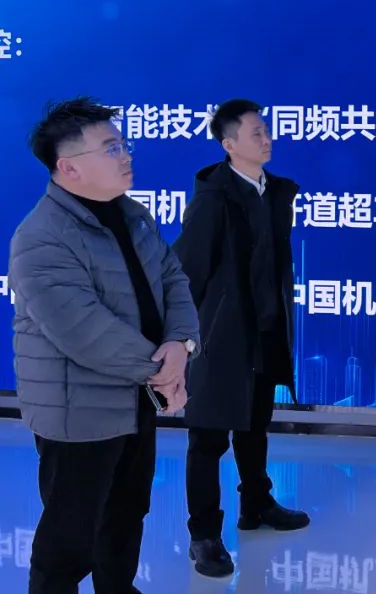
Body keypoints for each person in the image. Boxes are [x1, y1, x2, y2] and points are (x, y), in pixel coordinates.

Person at [9, 98, 199, 594]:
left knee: (127, 512)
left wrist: (181, 343)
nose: (126, 155)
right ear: (68, 167)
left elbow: (173, 279)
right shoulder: (41, 237)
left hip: (135, 400)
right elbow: (84, 331)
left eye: (123, 144)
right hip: (79, 412)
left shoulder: (133, 217)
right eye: (111, 147)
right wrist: (163, 372)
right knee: (70, 536)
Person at [173, 99, 308, 578]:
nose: (266, 139)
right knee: (208, 438)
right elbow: (186, 271)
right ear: (229, 144)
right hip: (220, 337)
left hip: (265, 331)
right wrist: (183, 338)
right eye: (255, 133)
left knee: (254, 427)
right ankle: (204, 536)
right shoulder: (214, 199)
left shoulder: (275, 192)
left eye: (266, 130)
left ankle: (257, 504)